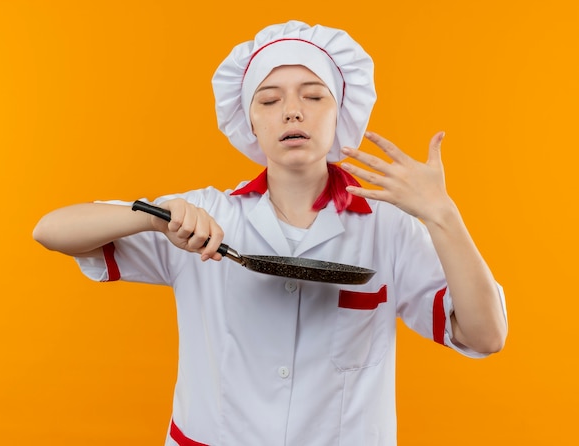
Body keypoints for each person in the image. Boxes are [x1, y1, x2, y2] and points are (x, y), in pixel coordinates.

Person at [33, 20, 507, 446]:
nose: (293, 112)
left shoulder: (389, 227)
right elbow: (51, 230)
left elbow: (486, 336)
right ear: (250, 122)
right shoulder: (203, 215)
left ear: (339, 113)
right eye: (270, 99)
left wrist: (443, 215)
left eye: (313, 95)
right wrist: (154, 215)